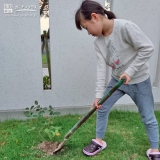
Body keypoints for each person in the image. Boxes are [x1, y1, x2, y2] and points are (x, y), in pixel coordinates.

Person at [75, 0, 160, 159]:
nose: (88, 33)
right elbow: (101, 69)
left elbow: (147, 47)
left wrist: (131, 71)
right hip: (117, 82)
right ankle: (99, 141)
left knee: (148, 115)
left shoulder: (125, 27)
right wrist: (98, 96)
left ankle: (155, 150)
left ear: (94, 17)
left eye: (86, 28)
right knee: (102, 108)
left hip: (140, 80)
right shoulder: (98, 43)